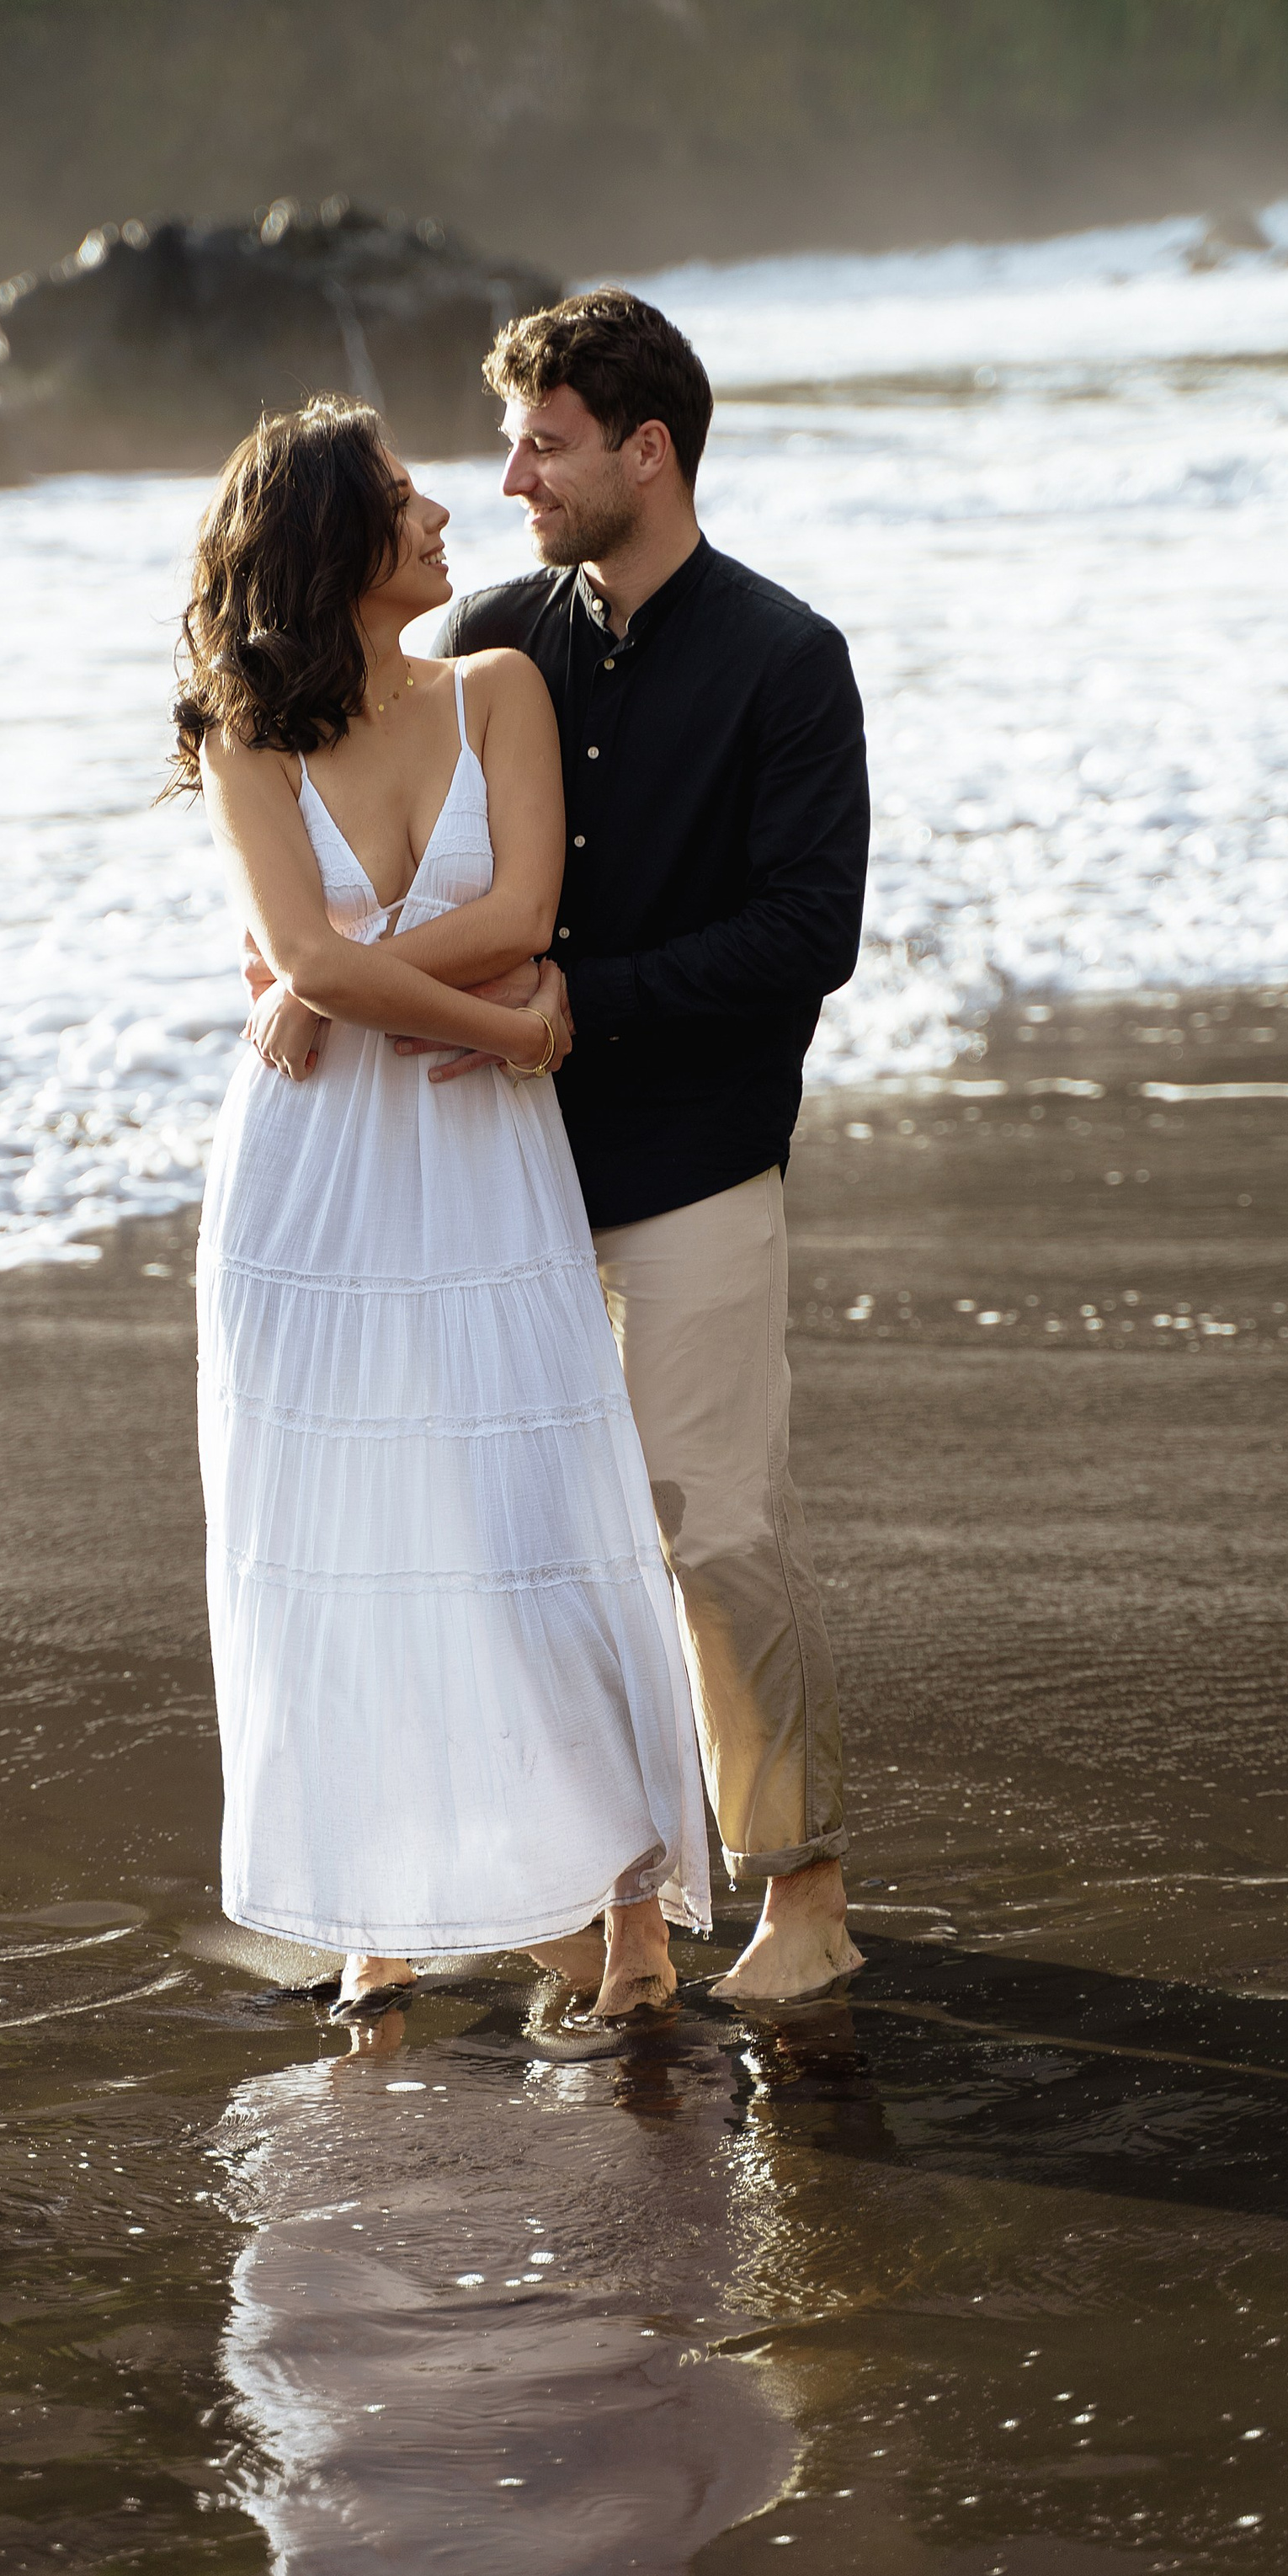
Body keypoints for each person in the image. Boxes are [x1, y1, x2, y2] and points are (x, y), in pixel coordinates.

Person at [171, 397, 711, 2022]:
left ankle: (626, 1918)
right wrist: (510, 1021)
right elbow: (332, 960)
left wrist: (372, 985)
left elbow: (521, 904)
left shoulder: (499, 690)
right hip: (309, 1182)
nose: (444, 516)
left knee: (531, 1519)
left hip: (480, 1169)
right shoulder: (243, 737)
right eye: (404, 501)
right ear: (336, 545)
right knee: (329, 1538)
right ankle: (374, 1910)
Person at [424, 288, 870, 2005]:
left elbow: (802, 933)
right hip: (503, 1173)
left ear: (645, 449)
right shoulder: (483, 640)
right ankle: (609, 1910)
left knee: (712, 1529)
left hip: (695, 1165)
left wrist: (575, 998)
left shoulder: (782, 658)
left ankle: (799, 1895)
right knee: (533, 1544)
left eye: (542, 441)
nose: (512, 474)